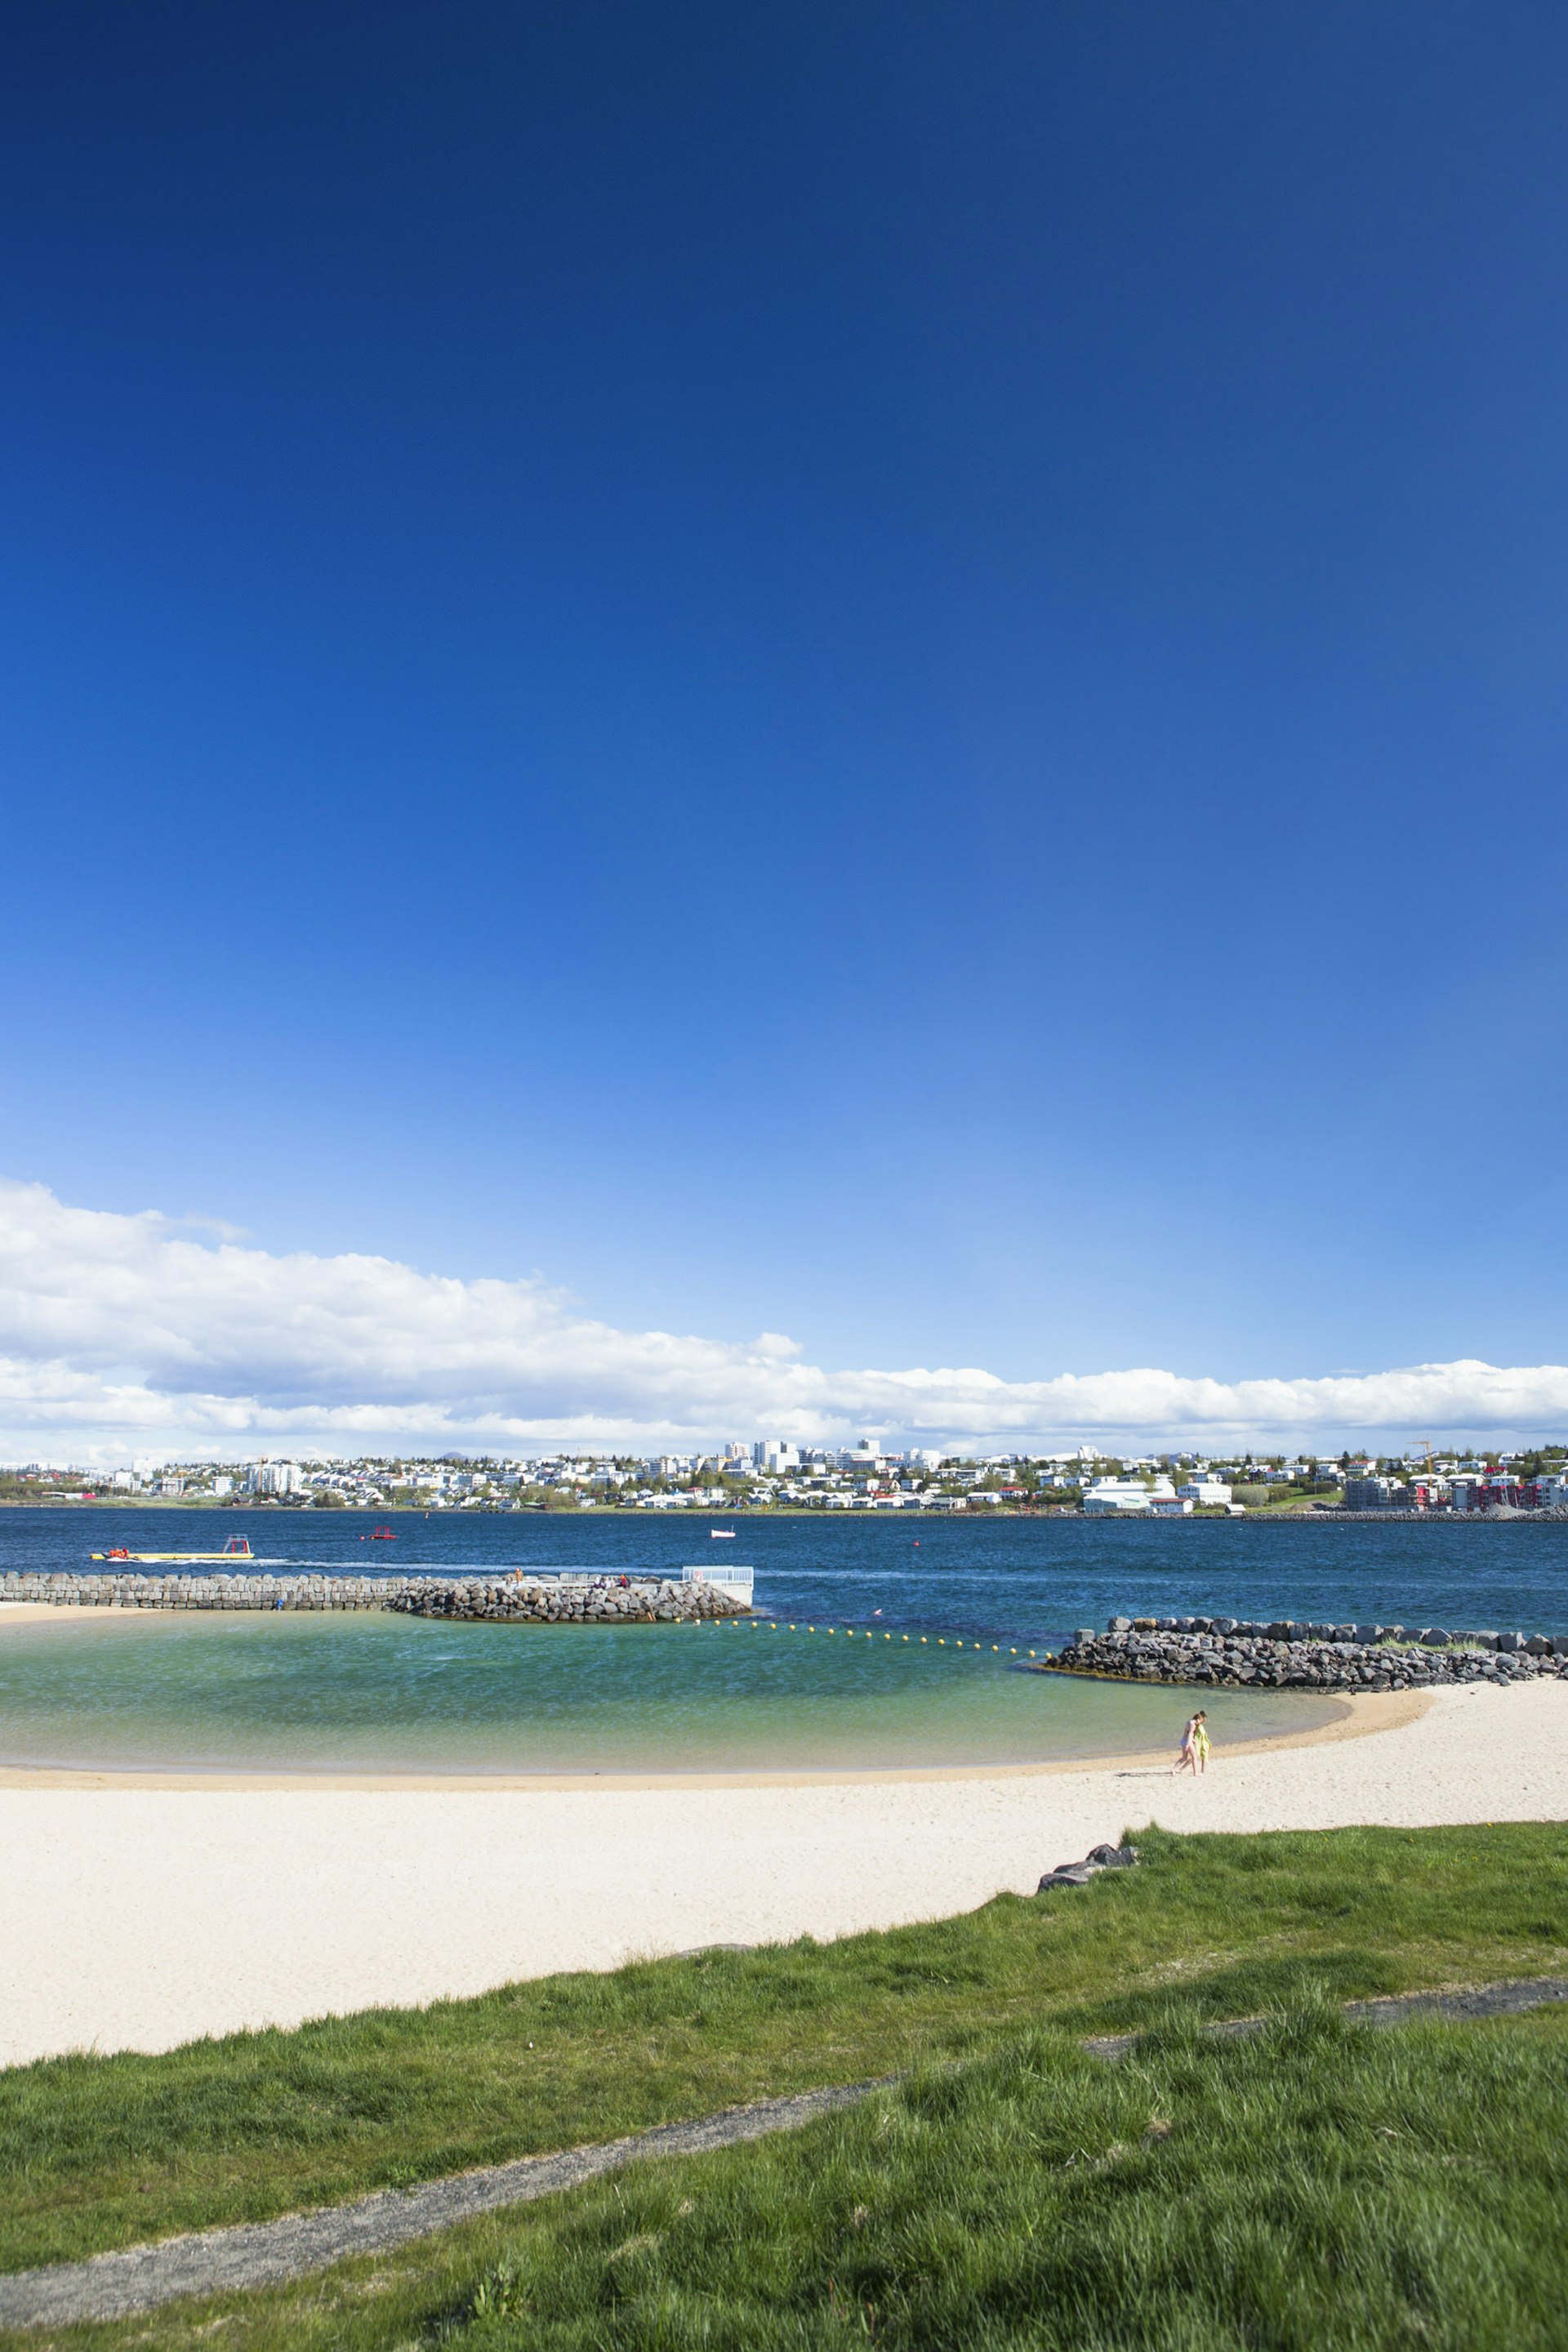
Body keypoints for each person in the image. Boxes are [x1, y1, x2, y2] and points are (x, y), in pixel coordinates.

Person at [1173, 1708, 1209, 1775]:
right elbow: (1190, 1734)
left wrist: (1192, 1740)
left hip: (1183, 1740)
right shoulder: (1193, 1725)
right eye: (1200, 1720)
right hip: (1187, 1741)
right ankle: (1195, 1773)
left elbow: (1187, 1733)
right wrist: (1188, 1744)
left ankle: (1174, 1769)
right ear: (1198, 1718)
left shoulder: (1189, 1721)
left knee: (1184, 1758)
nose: (1200, 1722)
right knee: (1194, 1757)